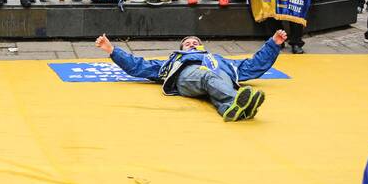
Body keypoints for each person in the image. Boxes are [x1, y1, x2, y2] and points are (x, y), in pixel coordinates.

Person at [94, 30, 287, 122]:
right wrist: (112, 50)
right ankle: (237, 99)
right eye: (188, 43)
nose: (193, 43)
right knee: (207, 77)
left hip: (217, 74)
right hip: (188, 76)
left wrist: (273, 44)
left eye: (196, 42)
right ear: (182, 49)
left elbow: (252, 66)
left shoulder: (220, 60)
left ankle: (232, 109)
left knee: (215, 82)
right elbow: (140, 66)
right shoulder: (174, 61)